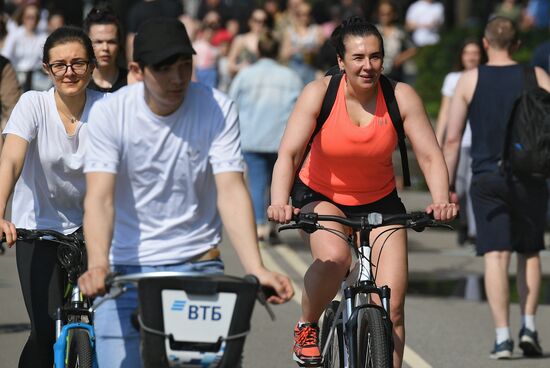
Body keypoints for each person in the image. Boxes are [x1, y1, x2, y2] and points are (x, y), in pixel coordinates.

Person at [76, 18, 294, 367]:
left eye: (184, 66)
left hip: (197, 266)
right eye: (165, 69)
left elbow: (231, 190)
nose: (178, 79)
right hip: (127, 269)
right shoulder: (110, 113)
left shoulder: (217, 107)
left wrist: (257, 267)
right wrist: (99, 264)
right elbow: (100, 198)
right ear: (137, 69)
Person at [269, 16, 457, 368]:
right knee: (337, 259)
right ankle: (307, 326)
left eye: (375, 56)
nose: (367, 66)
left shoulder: (400, 96)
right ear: (341, 61)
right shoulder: (319, 93)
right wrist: (279, 202)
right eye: (358, 58)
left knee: (393, 306)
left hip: (380, 199)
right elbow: (289, 154)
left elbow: (430, 155)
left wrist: (441, 199)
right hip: (321, 194)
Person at [443, 16, 550, 359]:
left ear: (486, 44)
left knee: (495, 255)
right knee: (530, 252)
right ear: (517, 44)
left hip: (487, 176)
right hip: (530, 176)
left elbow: (453, 138)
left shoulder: (470, 79)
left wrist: (445, 186)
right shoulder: (537, 76)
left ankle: (503, 336)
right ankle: (529, 326)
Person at [0, 26, 103, 368]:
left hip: (97, 231)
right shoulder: (33, 104)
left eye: (77, 63)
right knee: (44, 334)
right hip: (38, 228)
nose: (69, 72)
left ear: (91, 66)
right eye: (59, 65)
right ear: (46, 68)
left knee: (107, 331)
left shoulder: (109, 109)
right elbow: (11, 159)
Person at [229, 31, 303, 246]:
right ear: (278, 51)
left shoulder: (246, 75)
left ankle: (260, 225)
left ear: (258, 50)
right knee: (277, 183)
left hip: (252, 137)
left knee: (257, 183)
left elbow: (232, 102)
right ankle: (271, 225)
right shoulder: (290, 76)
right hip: (281, 138)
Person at [434, 39, 484, 246]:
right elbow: (445, 112)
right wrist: (437, 138)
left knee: (473, 185)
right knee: (459, 188)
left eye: (475, 53)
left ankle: (474, 231)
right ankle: (464, 222)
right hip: (458, 142)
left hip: (479, 140)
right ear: (461, 56)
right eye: (467, 53)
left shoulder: (485, 75)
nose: (471, 57)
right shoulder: (453, 79)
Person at [1, 1, 49, 91]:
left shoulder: (43, 36)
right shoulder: (14, 35)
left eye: (34, 17)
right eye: (28, 17)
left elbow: (45, 57)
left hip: (36, 76)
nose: (31, 20)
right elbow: (5, 55)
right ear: (23, 18)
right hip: (17, 75)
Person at [83, 4, 128, 93]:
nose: (105, 48)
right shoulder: (79, 84)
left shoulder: (131, 83)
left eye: (111, 42)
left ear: (119, 44)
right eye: (98, 42)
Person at [375, 0, 417, 82]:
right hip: (376, 71)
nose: (385, 17)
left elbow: (413, 49)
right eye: (382, 14)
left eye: (388, 13)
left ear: (394, 14)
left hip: (394, 73)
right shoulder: (374, 31)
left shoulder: (400, 32)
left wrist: (400, 58)